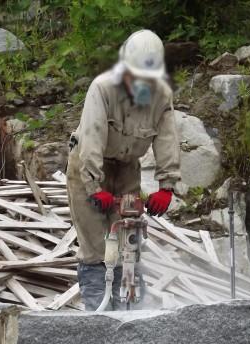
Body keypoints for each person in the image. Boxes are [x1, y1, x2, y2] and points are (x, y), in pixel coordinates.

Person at [66, 29, 181, 311]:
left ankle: (131, 310)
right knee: (95, 248)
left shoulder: (161, 96)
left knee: (129, 241)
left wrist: (167, 187)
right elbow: (91, 137)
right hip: (89, 164)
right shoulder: (103, 88)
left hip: (127, 167)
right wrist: (94, 186)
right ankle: (100, 313)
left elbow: (167, 139)